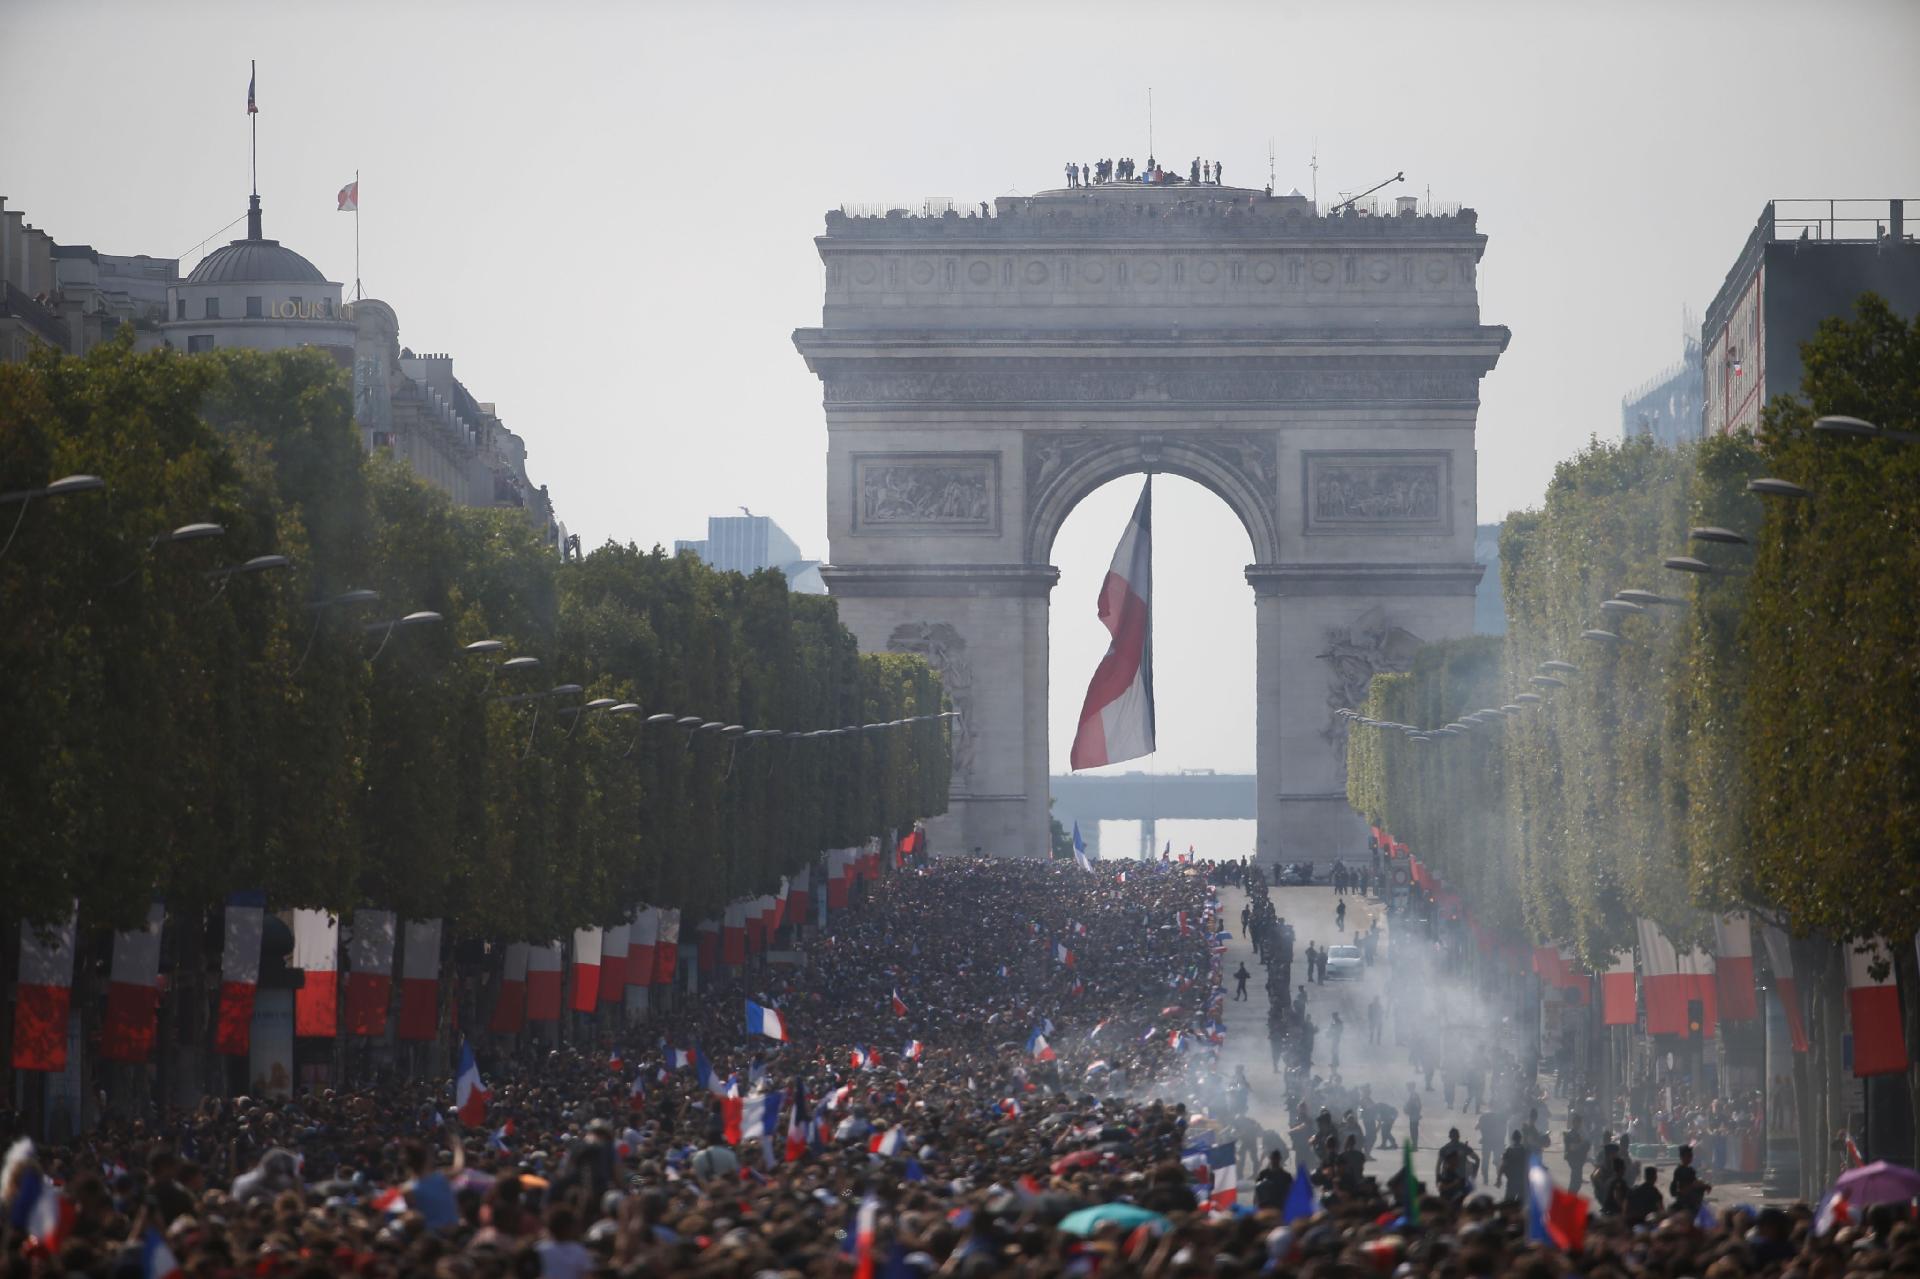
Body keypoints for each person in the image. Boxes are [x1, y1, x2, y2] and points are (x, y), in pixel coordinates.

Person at [1669, 1143, 1709, 1215]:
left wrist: (1703, 1185)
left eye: (1690, 1156)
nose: (1690, 1158)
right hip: (1686, 1201)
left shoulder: (1688, 1170)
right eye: (1688, 1156)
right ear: (1682, 1157)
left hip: (1688, 1200)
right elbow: (1679, 1188)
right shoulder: (1682, 1170)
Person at [1497, 1130, 1530, 1204]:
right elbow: (1529, 1166)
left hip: (1511, 1181)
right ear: (1520, 1138)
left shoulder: (1509, 1150)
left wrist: (1498, 1179)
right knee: (1522, 1205)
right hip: (1523, 1182)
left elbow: (1503, 1165)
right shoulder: (1525, 1150)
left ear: (1512, 1139)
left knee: (1508, 1205)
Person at [1564, 1111, 1591, 1194]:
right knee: (1575, 1182)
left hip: (1578, 1159)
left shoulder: (1577, 1134)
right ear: (1575, 1122)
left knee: (1577, 1182)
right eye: (1579, 1122)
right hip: (1574, 1159)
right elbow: (1572, 1148)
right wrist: (1583, 1145)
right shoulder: (1570, 1134)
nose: (1580, 1125)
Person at [1404, 1083, 1423, 1150]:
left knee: (1413, 1131)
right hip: (1413, 1116)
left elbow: (1417, 1105)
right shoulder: (1413, 1094)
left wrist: (1410, 1109)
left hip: (1414, 1116)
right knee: (1413, 1131)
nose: (1407, 1088)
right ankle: (1414, 1145)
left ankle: (1415, 1146)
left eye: (1408, 1087)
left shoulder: (1414, 1095)